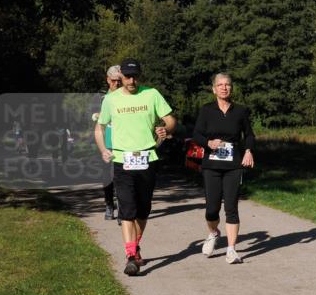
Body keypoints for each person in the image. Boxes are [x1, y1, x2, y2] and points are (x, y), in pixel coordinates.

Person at [95, 58, 176, 276]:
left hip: (148, 159)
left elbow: (170, 120)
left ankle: (135, 244)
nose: (131, 80)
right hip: (122, 160)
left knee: (143, 209)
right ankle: (130, 256)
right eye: (127, 76)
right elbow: (99, 128)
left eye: (135, 76)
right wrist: (103, 149)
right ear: (120, 76)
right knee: (127, 209)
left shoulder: (152, 94)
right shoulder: (111, 100)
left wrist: (164, 129)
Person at [192, 72, 255, 264]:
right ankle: (213, 232)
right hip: (211, 165)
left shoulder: (240, 111)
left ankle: (231, 249)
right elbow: (196, 134)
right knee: (212, 209)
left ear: (231, 88)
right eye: (220, 85)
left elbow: (249, 135)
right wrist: (208, 143)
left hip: (233, 165)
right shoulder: (206, 110)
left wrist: (248, 151)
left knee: (231, 207)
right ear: (214, 89)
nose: (224, 87)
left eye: (227, 84)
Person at [95, 65, 123, 220]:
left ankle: (122, 209)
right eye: (113, 81)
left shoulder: (127, 97)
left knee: (122, 178)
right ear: (108, 80)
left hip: (123, 143)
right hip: (106, 143)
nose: (117, 84)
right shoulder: (102, 99)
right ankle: (109, 205)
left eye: (119, 81)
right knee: (108, 177)